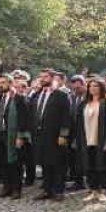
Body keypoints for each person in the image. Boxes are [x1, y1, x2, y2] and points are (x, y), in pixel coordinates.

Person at [73, 79, 106, 203]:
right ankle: (93, 190)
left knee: (101, 166)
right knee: (89, 166)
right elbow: (78, 123)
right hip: (86, 139)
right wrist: (77, 139)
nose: (92, 88)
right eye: (90, 86)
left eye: (95, 86)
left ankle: (102, 191)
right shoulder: (83, 103)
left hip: (101, 139)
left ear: (101, 87)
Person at [31, 69, 71, 202]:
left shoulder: (61, 95)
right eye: (41, 77)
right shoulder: (36, 95)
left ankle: (58, 190)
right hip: (39, 135)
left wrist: (63, 134)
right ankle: (47, 189)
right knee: (44, 163)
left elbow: (67, 117)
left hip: (55, 135)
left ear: (53, 78)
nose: (43, 79)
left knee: (57, 163)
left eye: (46, 77)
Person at [0, 75, 30, 199]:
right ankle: (6, 187)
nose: (1, 85)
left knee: (15, 163)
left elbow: (24, 119)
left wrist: (20, 136)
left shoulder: (19, 98)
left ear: (11, 83)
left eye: (4, 82)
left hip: (12, 134)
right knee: (3, 162)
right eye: (0, 83)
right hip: (0, 133)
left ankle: (16, 189)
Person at [66, 75, 87, 191]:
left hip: (86, 132)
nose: (76, 90)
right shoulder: (72, 98)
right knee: (74, 158)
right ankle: (77, 181)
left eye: (78, 88)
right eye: (74, 88)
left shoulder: (89, 98)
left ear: (84, 85)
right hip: (73, 132)